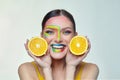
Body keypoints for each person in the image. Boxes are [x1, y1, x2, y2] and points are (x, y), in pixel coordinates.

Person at [18, 9, 99, 80]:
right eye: (50, 32)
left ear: (75, 36)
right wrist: (46, 69)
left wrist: (71, 67)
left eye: (66, 32)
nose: (58, 39)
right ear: (42, 36)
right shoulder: (27, 69)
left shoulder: (90, 69)